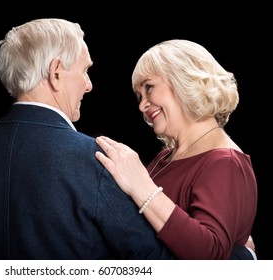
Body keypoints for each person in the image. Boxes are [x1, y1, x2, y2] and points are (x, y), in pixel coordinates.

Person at [0, 18, 174, 259]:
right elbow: (155, 263)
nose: (89, 85)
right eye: (85, 70)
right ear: (56, 72)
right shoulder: (99, 160)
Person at [95, 39, 258, 260]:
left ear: (184, 79)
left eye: (149, 87)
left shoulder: (224, 161)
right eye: (138, 95)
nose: (142, 105)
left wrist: (141, 187)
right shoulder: (165, 156)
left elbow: (210, 255)